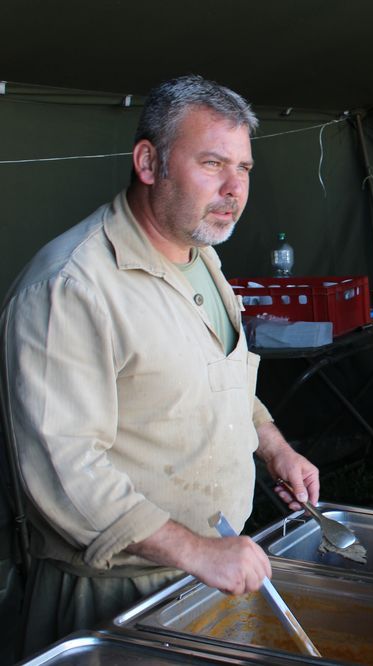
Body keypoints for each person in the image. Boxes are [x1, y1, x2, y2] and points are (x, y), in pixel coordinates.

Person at [0, 75, 319, 657]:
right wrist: (194, 551)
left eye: (243, 168)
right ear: (149, 162)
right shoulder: (71, 287)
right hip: (109, 592)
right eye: (212, 163)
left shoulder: (203, 258)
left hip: (204, 576)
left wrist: (273, 447)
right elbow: (62, 467)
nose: (233, 188)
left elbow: (227, 379)